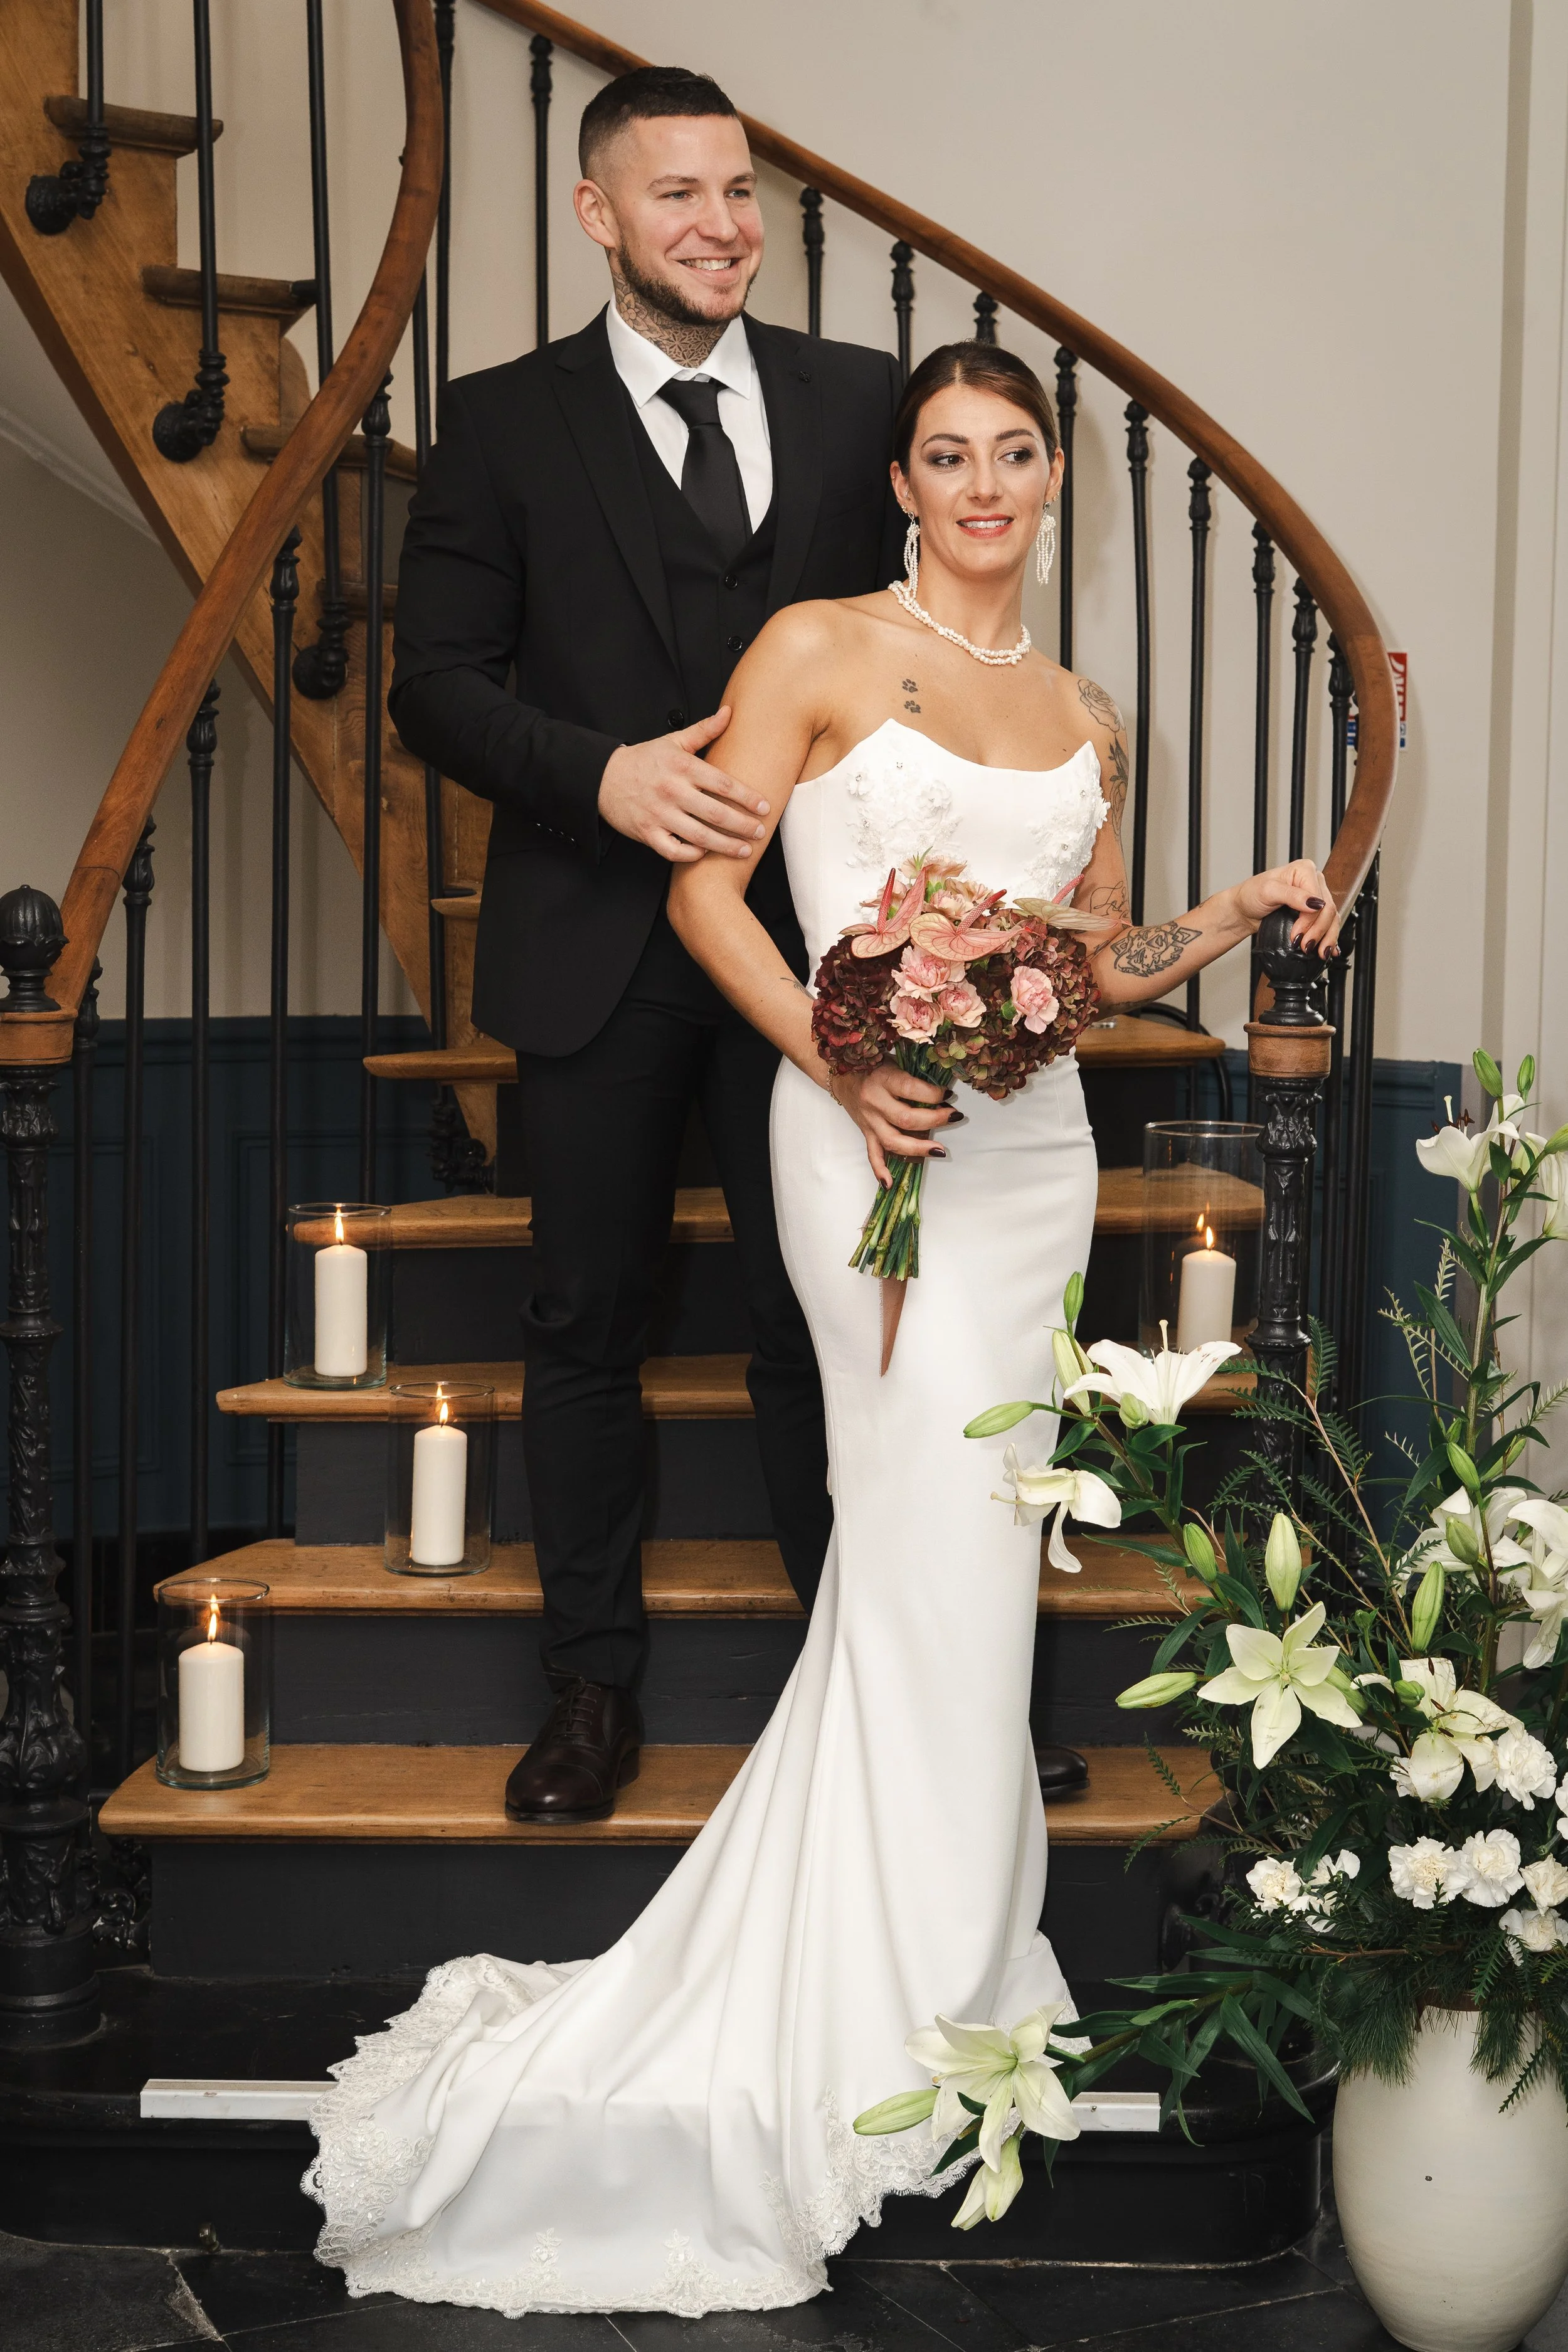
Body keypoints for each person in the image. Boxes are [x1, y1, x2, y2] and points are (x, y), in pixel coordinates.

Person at [309, 339, 1338, 2317]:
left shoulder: (1079, 706)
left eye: (1013, 452)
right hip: (856, 1132)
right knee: (922, 1530)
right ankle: (885, 1991)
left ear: (1053, 481)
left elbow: (1084, 962)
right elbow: (705, 891)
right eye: (944, 453)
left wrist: (1218, 917)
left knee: (966, 1548)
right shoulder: (814, 646)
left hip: (1025, 1157)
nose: (980, 483)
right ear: (899, 482)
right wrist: (841, 1053)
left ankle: (943, 1962)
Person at [387, 66, 906, 1825]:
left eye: (739, 191)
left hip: (811, 958)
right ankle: (590, 1692)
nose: (722, 225)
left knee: (819, 1324)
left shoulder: (858, 407)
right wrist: (597, 777)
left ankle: (884, 1685)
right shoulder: (499, 420)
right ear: (598, 214)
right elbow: (433, 686)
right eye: (676, 194)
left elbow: (919, 646)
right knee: (586, 1326)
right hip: (591, 945)